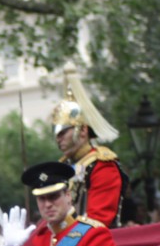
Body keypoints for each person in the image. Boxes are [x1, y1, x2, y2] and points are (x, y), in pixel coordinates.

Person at [0, 162, 119, 246]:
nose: (48, 204)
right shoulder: (42, 238)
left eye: (53, 197)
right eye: (41, 199)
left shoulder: (95, 235)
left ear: (68, 195)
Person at [50, 62, 126, 227]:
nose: (58, 138)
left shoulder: (102, 165)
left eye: (63, 132)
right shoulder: (60, 167)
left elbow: (98, 220)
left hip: (92, 244)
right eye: (56, 133)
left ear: (83, 130)